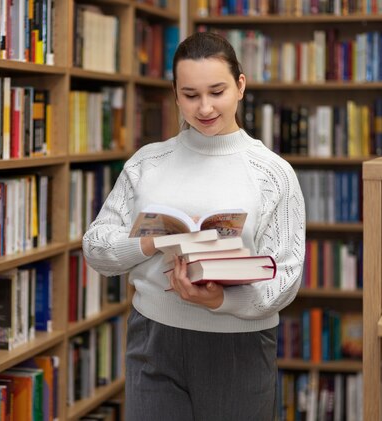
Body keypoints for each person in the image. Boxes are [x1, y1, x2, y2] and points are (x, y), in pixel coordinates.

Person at [82, 32, 306, 421]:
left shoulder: (273, 173)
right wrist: (151, 244)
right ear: (175, 93)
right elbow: (96, 247)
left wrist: (220, 300)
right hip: (153, 338)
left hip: (238, 346)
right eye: (190, 94)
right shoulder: (147, 163)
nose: (204, 107)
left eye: (216, 91)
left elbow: (285, 278)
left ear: (240, 86)